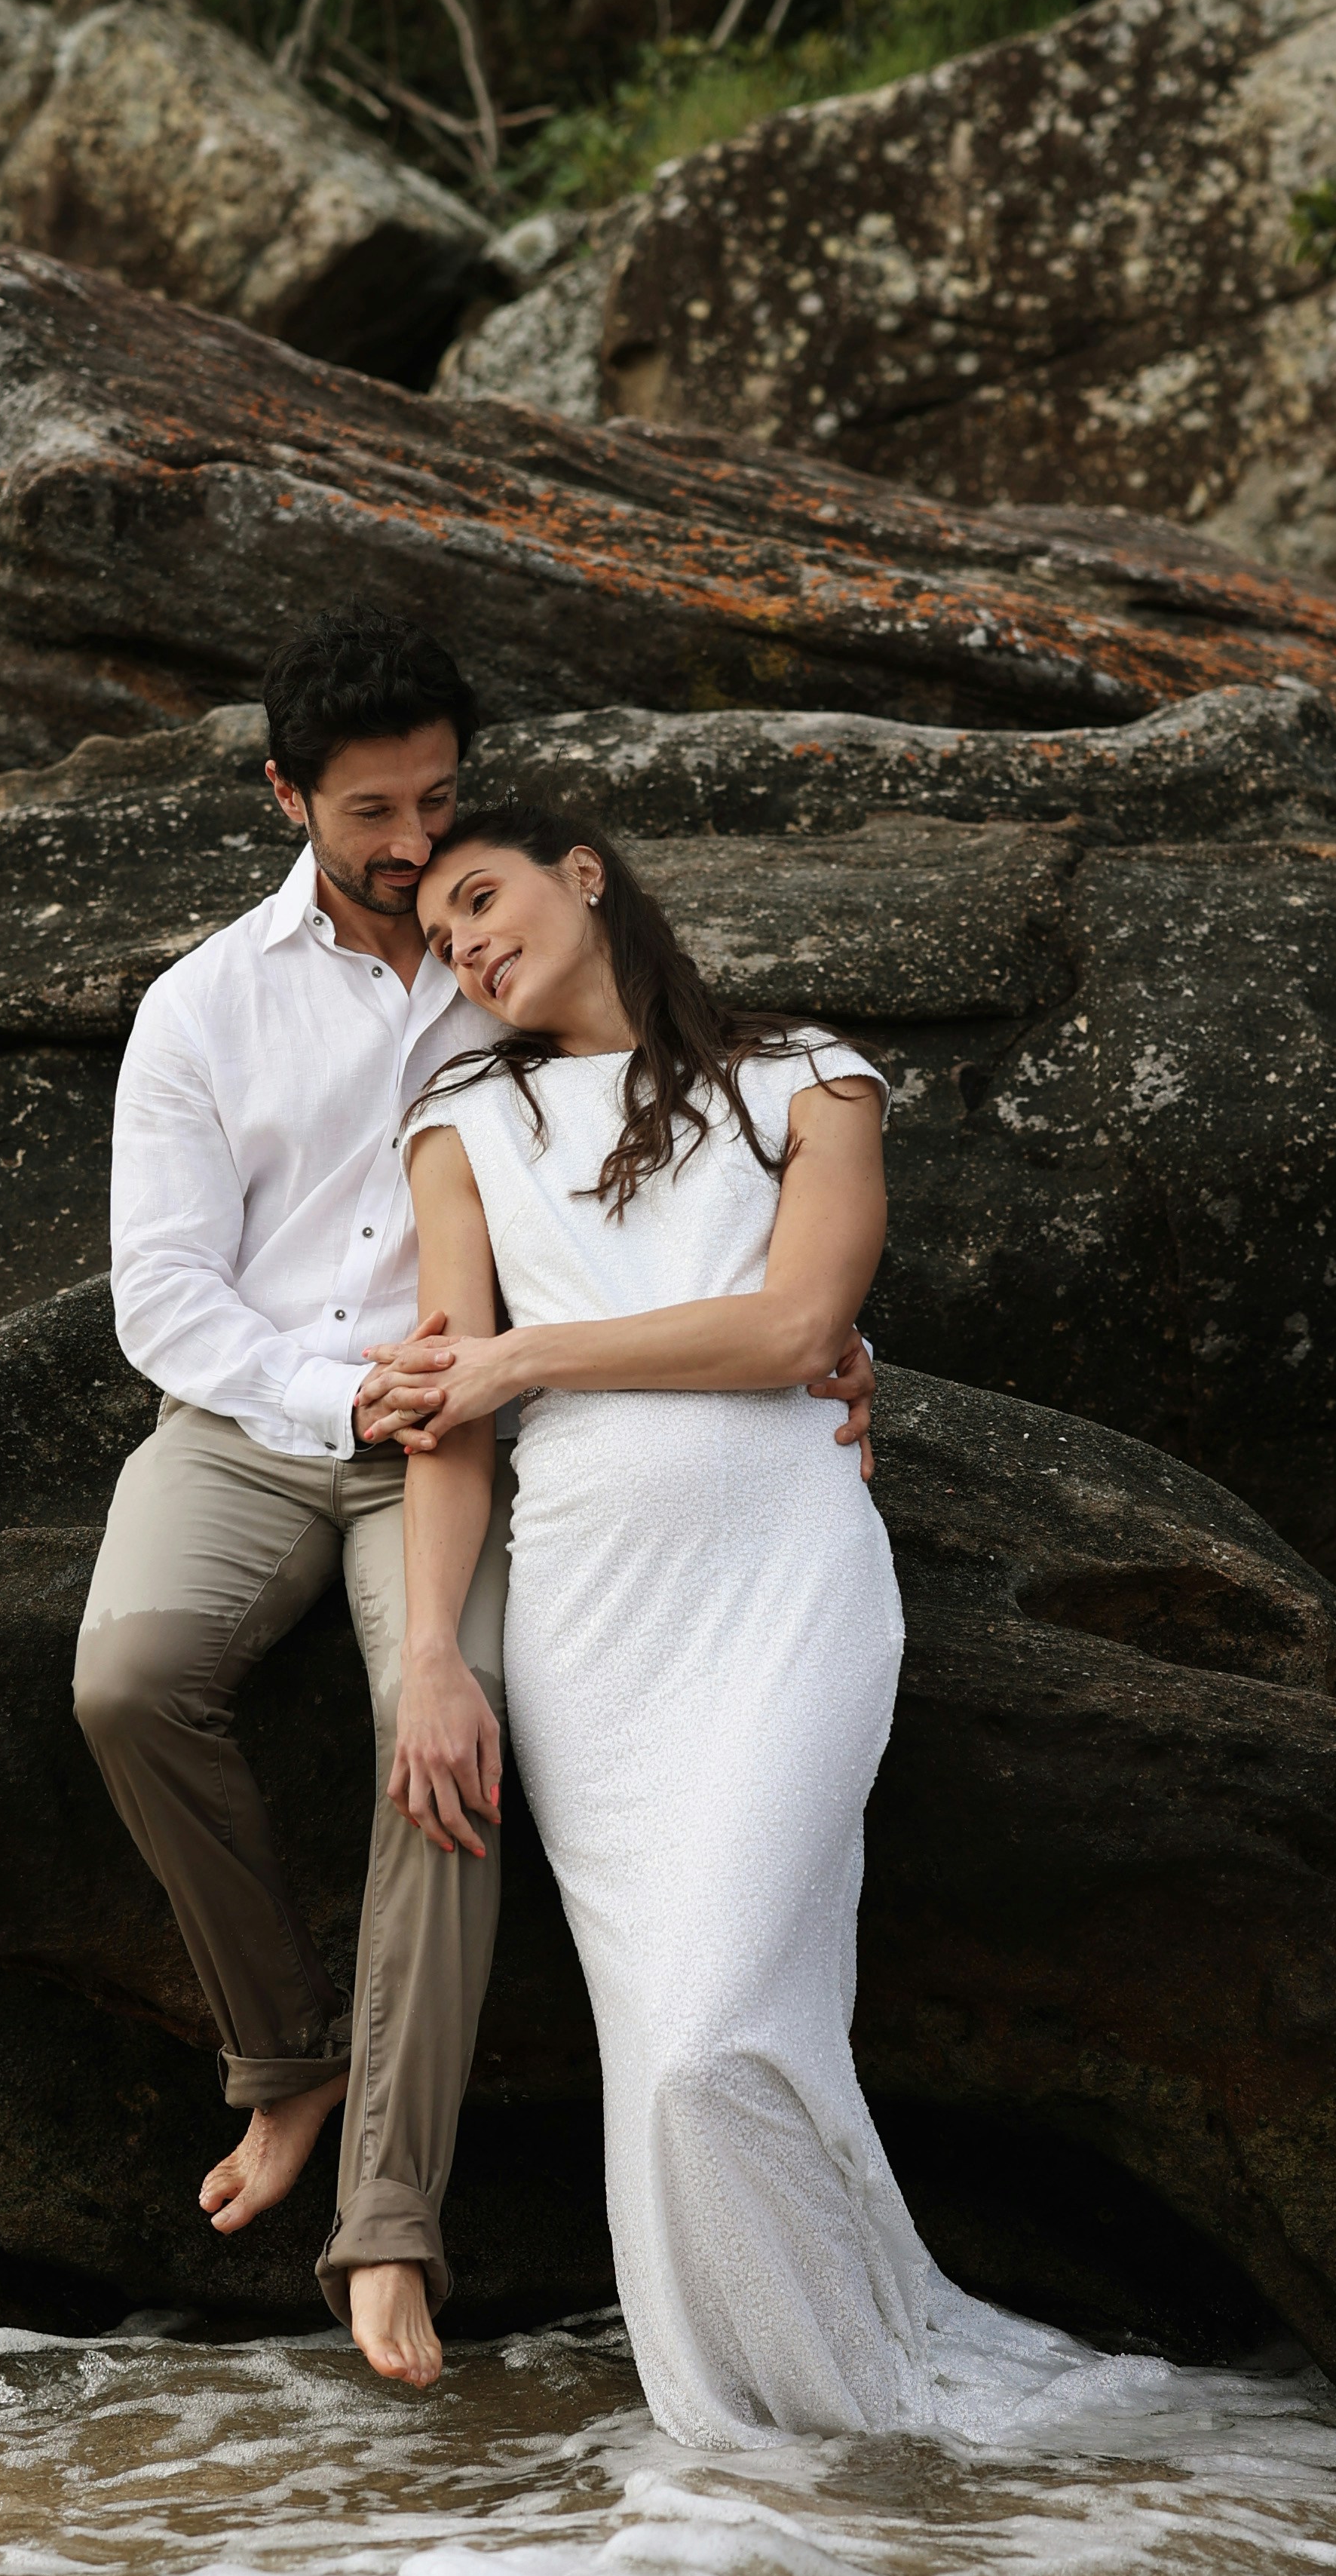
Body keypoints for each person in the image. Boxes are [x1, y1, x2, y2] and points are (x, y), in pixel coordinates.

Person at [72, 607, 883, 2390]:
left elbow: (669, 1173)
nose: (414, 848)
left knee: (439, 1743)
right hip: (257, 1412)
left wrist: (816, 1335)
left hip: (459, 1430)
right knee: (126, 1678)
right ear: (285, 796)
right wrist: (336, 1391)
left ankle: (385, 2221)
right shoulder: (204, 1003)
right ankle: (285, 2060)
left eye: (437, 805)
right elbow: (163, 1293)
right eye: (371, 813)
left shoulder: (503, 952)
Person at [366, 797, 1031, 2446]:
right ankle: (763, 2451)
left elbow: (796, 1326)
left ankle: (833, 2411)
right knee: (666, 2048)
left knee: (723, 2022)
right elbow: (445, 1423)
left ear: (583, 876)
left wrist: (527, 1356)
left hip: (789, 1588)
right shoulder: (461, 1122)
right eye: (439, 937)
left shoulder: (810, 1079)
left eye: (482, 898)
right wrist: (433, 1651)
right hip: (592, 1628)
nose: (465, 945)